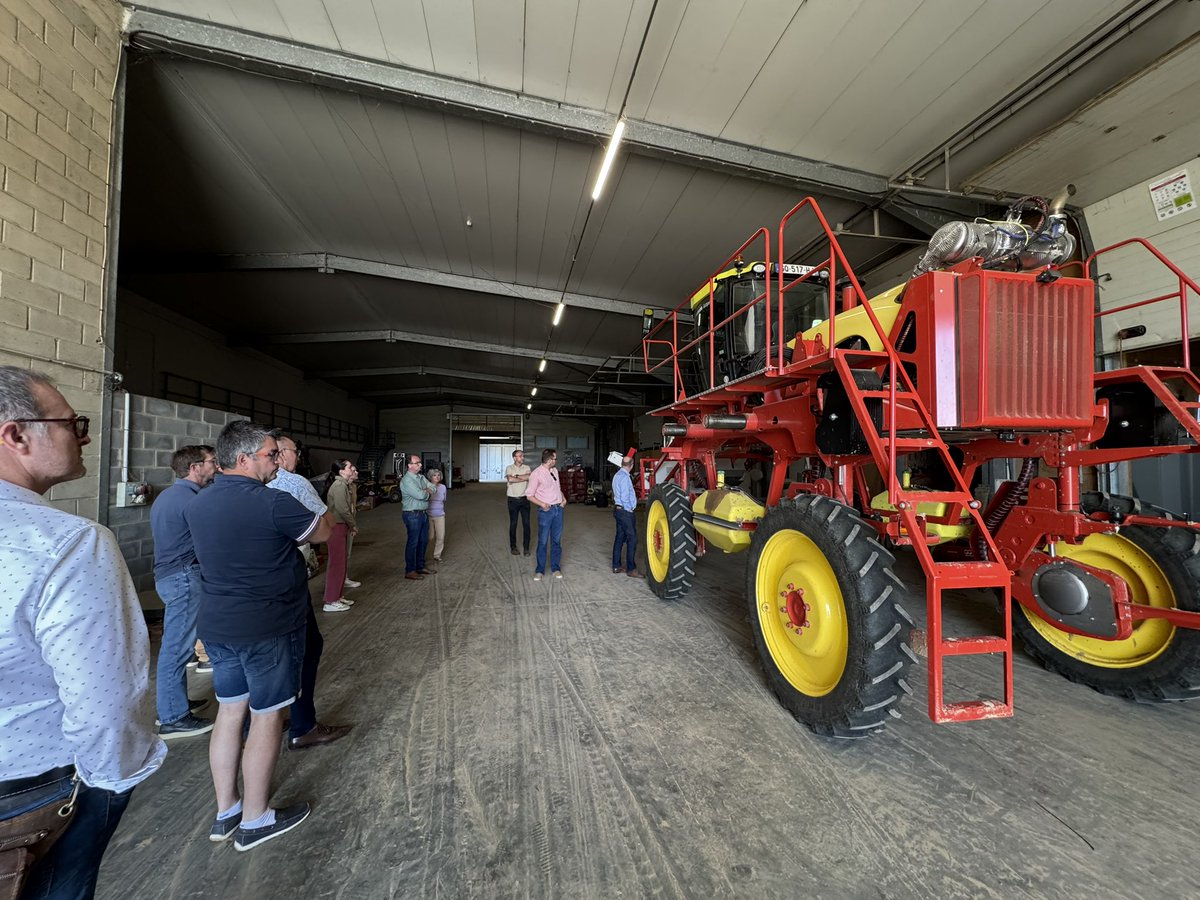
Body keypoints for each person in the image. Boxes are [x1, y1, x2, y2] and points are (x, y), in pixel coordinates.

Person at [0, 366, 166, 897]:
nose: (85, 435)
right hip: (37, 791)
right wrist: (110, 789)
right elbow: (108, 702)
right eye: (73, 423)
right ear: (16, 435)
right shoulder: (68, 544)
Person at [185, 420, 334, 852]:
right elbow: (322, 531)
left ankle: (226, 809)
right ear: (244, 458)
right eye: (272, 454)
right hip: (266, 625)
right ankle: (256, 818)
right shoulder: (273, 502)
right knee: (267, 716)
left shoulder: (199, 503)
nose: (278, 461)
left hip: (217, 625)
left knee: (231, 714)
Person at [266, 435, 354, 751]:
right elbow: (324, 526)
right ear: (278, 454)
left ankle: (263, 719)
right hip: (286, 577)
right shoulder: (294, 484)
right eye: (292, 451)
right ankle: (302, 724)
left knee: (262, 655)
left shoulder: (224, 492)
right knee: (304, 647)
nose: (295, 456)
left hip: (244, 592)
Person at [150, 444, 219, 740]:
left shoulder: (169, 496)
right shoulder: (193, 501)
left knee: (181, 644)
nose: (215, 466)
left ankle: (174, 704)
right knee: (177, 648)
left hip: (172, 576)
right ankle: (173, 717)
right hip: (184, 577)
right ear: (194, 467)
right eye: (211, 462)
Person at [321, 459, 358, 613]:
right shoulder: (339, 486)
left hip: (341, 525)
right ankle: (330, 600)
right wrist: (353, 524)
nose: (353, 468)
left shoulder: (345, 485)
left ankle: (338, 595)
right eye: (350, 467)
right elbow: (343, 509)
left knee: (341, 562)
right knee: (336, 563)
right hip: (337, 526)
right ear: (342, 471)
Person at [526, 448, 567, 581]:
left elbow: (557, 488)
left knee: (556, 541)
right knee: (543, 541)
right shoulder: (536, 474)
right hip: (546, 512)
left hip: (558, 510)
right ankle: (540, 570)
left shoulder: (554, 470)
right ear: (549, 460)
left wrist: (563, 498)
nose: (556, 460)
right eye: (554, 458)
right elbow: (529, 495)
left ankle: (556, 568)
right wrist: (543, 504)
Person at [400, 454, 436, 580]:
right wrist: (426, 491)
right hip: (412, 515)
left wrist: (427, 490)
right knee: (413, 543)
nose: (420, 465)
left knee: (423, 541)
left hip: (422, 514)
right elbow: (421, 495)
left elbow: (433, 487)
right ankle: (410, 570)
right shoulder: (407, 480)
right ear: (409, 465)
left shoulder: (420, 477)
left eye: (420, 463)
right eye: (417, 463)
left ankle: (420, 566)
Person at [609, 449, 642, 577]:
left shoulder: (617, 475)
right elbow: (624, 496)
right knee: (632, 539)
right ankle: (631, 569)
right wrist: (629, 508)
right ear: (632, 466)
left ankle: (616, 566)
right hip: (624, 511)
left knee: (619, 538)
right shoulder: (625, 478)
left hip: (618, 510)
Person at [505, 449, 531, 556]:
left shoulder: (527, 468)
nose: (522, 458)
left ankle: (526, 548)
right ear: (515, 458)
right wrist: (522, 478)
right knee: (513, 524)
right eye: (520, 456)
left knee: (526, 524)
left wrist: (515, 476)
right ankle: (513, 547)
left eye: (523, 456)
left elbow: (529, 476)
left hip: (525, 500)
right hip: (512, 500)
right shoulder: (509, 468)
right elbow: (510, 479)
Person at [427, 467, 447, 562]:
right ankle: (426, 553)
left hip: (440, 515)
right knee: (430, 536)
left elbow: (444, 499)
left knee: (440, 536)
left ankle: (437, 555)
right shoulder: (426, 487)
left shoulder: (443, 487)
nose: (437, 477)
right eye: (434, 475)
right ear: (430, 477)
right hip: (428, 515)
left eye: (438, 475)